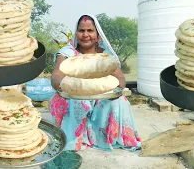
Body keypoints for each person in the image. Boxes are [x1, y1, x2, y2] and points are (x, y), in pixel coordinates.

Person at [50, 14, 141, 151]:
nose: (85, 35)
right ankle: (75, 140)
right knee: (76, 102)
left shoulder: (105, 57)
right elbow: (56, 76)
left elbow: (121, 79)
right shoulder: (67, 54)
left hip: (100, 98)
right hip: (74, 96)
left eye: (90, 30)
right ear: (76, 34)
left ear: (98, 35)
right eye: (81, 30)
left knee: (119, 101)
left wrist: (109, 89)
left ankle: (105, 138)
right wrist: (71, 86)